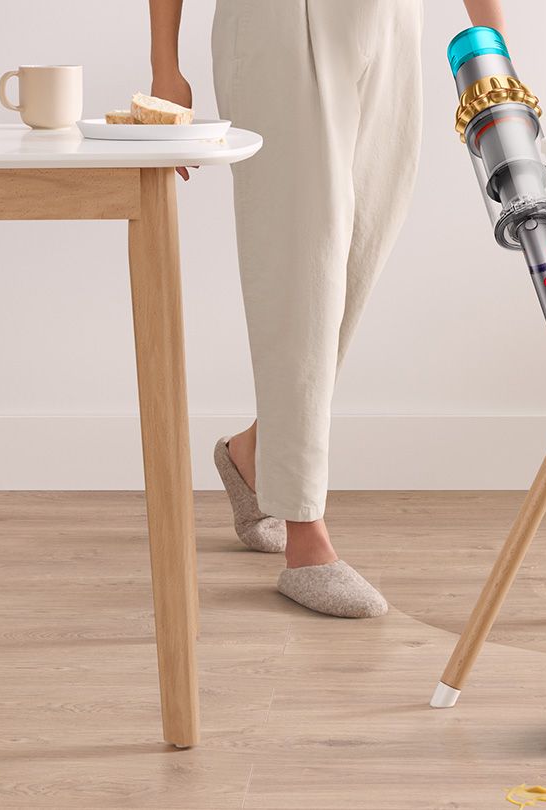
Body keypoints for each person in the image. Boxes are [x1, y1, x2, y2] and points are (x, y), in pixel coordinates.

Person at [148, 0, 506, 617]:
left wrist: (494, 55)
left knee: (356, 256)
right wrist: (165, 64)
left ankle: (257, 453)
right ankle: (305, 536)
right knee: (302, 267)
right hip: (282, 23)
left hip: (393, 24)